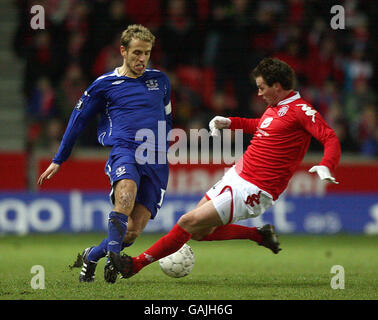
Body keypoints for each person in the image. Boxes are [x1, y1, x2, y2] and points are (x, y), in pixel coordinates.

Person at [107, 58, 341, 279]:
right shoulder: (276, 107)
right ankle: (258, 235)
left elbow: (329, 137)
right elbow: (260, 126)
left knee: (187, 222)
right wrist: (230, 122)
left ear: (277, 86)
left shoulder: (301, 110)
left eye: (262, 88)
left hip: (255, 189)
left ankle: (134, 265)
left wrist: (326, 164)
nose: (259, 93)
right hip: (237, 175)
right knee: (199, 232)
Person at [37, 25, 172, 283]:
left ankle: (92, 255)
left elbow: (168, 118)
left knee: (131, 232)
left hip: (155, 158)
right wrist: (59, 159)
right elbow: (78, 120)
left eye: (146, 53)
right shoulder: (105, 85)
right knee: (125, 197)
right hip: (125, 150)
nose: (142, 59)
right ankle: (113, 258)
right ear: (123, 51)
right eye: (136, 53)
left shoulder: (161, 81)